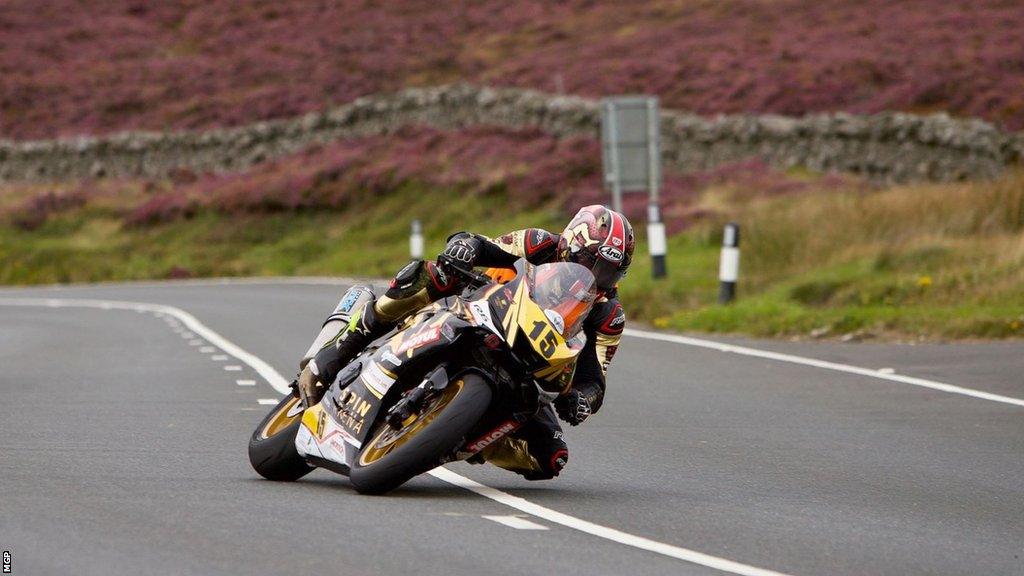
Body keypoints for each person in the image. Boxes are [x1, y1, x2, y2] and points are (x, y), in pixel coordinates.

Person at [298, 205, 634, 480]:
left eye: (610, 272)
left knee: (551, 458)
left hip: (527, 364)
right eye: (593, 262)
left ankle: (464, 437)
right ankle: (340, 348)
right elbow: (481, 243)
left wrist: (581, 400)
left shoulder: (608, 314)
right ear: (571, 244)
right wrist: (464, 247)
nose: (600, 276)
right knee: (434, 273)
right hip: (476, 309)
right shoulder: (538, 243)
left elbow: (595, 378)